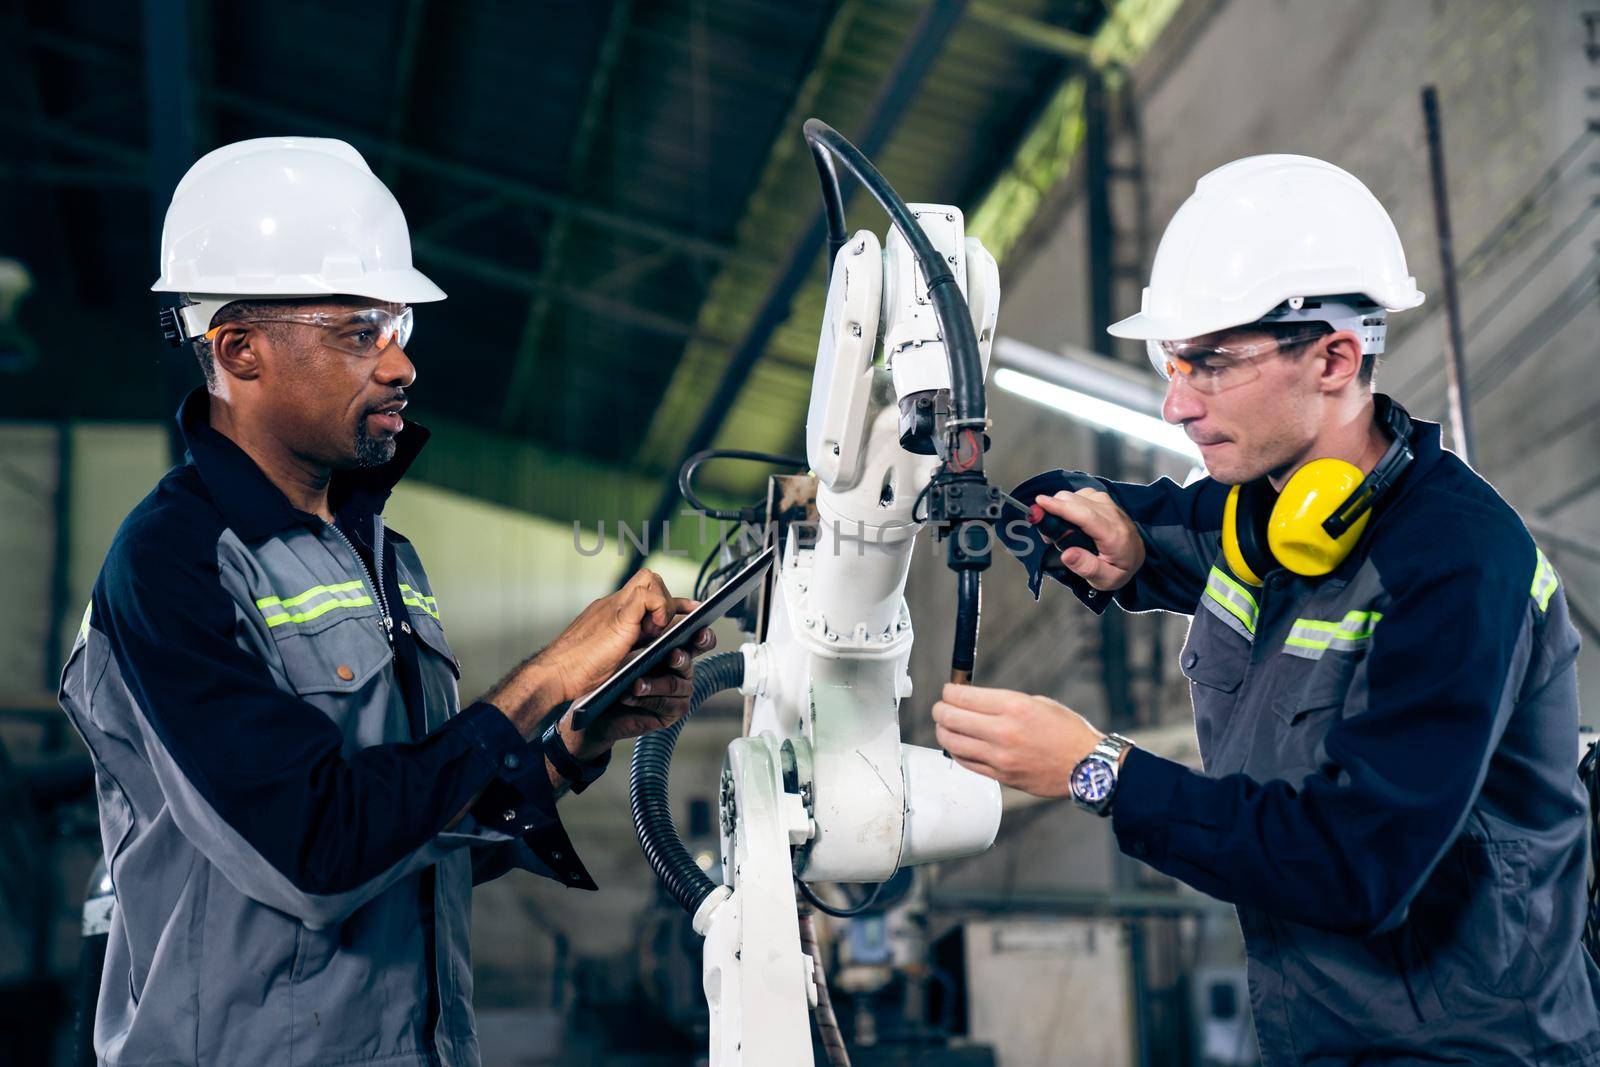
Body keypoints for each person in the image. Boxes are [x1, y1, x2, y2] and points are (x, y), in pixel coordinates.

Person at [58, 137, 712, 1067]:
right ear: (239, 349)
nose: (400, 366)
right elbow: (316, 851)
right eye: (359, 332)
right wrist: (548, 672)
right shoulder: (172, 565)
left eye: (399, 327)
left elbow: (415, 838)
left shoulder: (382, 558)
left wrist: (571, 741)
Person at [935, 155, 1600, 1064]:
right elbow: (1142, 520)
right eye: (1171, 362)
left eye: (1210, 363)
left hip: (1477, 1049)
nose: (1176, 403)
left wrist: (1095, 769)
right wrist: (1097, 534)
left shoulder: (1456, 565)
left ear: (1333, 357)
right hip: (1311, 1036)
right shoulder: (1263, 514)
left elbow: (1355, 864)